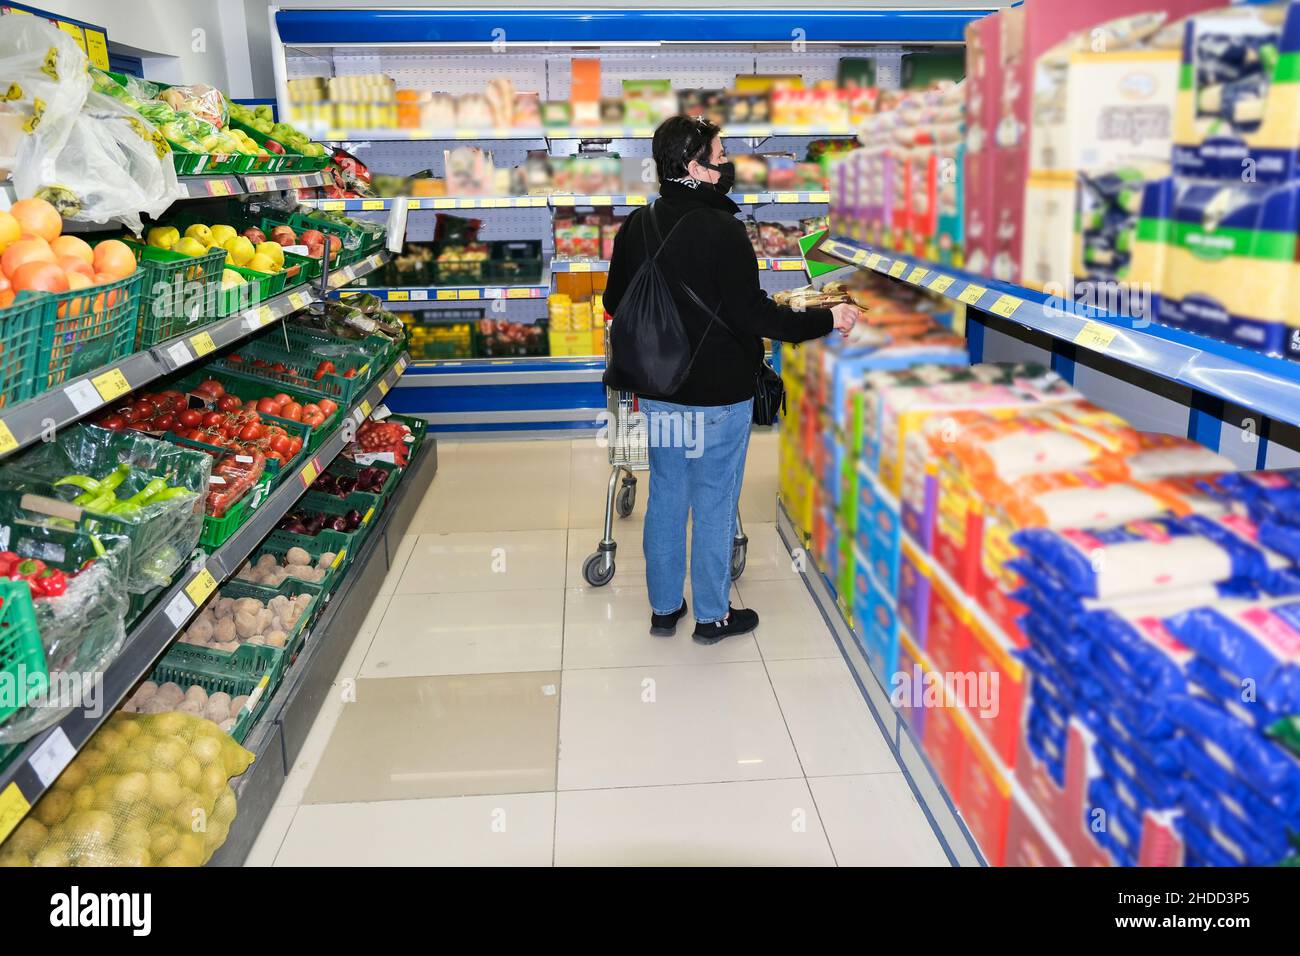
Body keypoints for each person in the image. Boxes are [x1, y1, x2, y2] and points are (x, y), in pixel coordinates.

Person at [603, 115, 859, 644]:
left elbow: (614, 303)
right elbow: (754, 316)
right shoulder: (723, 229)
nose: (728, 162)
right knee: (715, 503)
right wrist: (826, 319)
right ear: (695, 167)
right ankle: (713, 616)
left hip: (659, 393)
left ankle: (664, 609)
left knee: (668, 497)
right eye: (720, 154)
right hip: (719, 397)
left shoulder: (637, 224)